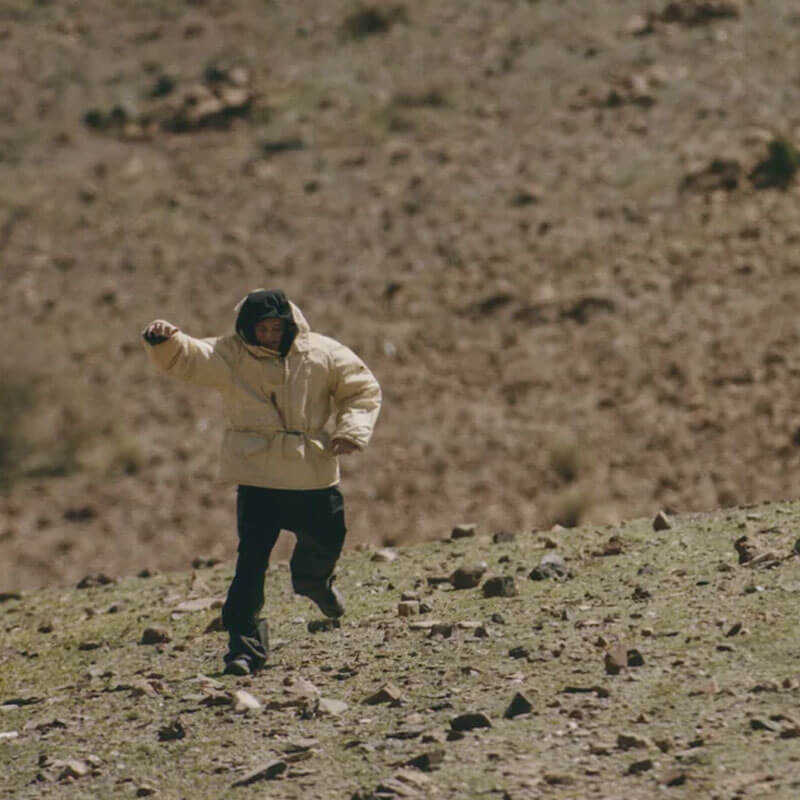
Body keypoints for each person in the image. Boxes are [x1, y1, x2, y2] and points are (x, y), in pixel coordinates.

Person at [141, 289, 381, 676]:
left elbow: (361, 388)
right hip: (257, 478)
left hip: (312, 472)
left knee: (328, 537)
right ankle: (244, 649)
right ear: (247, 329)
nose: (269, 336)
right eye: (261, 329)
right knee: (250, 564)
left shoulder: (323, 352)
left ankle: (313, 582)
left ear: (289, 325)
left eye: (275, 328)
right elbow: (193, 358)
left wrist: (351, 431)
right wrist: (166, 340)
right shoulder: (232, 355)